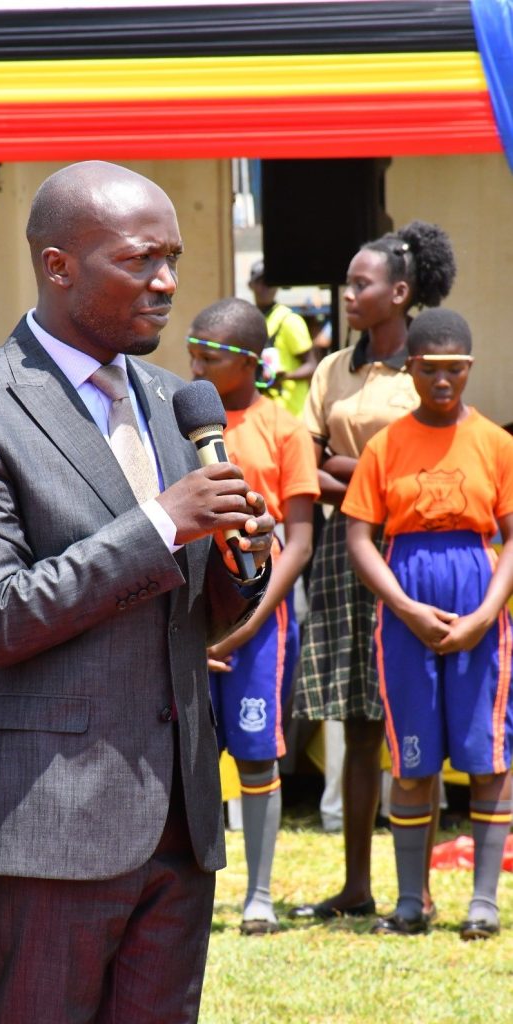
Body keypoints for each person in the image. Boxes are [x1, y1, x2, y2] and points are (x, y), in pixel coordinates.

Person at [0, 161, 274, 1024]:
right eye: (139, 260)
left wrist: (234, 560)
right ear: (58, 265)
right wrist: (158, 525)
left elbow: (192, 612)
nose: (166, 283)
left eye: (172, 259)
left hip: (178, 824)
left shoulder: (169, 402)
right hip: (46, 829)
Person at [288, 220, 456, 922]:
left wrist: (355, 471)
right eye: (347, 283)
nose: (348, 294)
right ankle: (357, 886)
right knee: (357, 722)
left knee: (418, 710)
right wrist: (379, 478)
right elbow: (307, 459)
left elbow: (437, 462)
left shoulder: (431, 363)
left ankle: (415, 890)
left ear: (400, 291)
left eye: (361, 284)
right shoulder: (332, 369)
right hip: (343, 549)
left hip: (419, 553)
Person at [344, 308, 513, 939]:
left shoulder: (496, 444)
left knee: (488, 755)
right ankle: (412, 900)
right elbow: (360, 537)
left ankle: (484, 903)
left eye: (455, 370)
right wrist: (406, 608)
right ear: (410, 368)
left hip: (479, 605)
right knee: (411, 757)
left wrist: (486, 615)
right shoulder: (385, 447)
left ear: (469, 369)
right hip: (404, 606)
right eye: (430, 370)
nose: (443, 382)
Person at [187, 297, 319, 934]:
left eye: (208, 356)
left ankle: (260, 894)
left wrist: (245, 616)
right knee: (190, 752)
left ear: (250, 362)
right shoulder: (174, 424)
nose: (194, 365)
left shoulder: (284, 429)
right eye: (192, 351)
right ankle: (194, 887)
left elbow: (299, 540)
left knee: (257, 753)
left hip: (259, 621)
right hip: (189, 613)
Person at [248, 259, 316, 417]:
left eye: (270, 282)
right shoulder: (251, 320)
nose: (265, 287)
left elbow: (312, 365)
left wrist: (284, 376)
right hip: (263, 412)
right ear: (250, 285)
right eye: (260, 281)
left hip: (291, 413)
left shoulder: (289, 320)